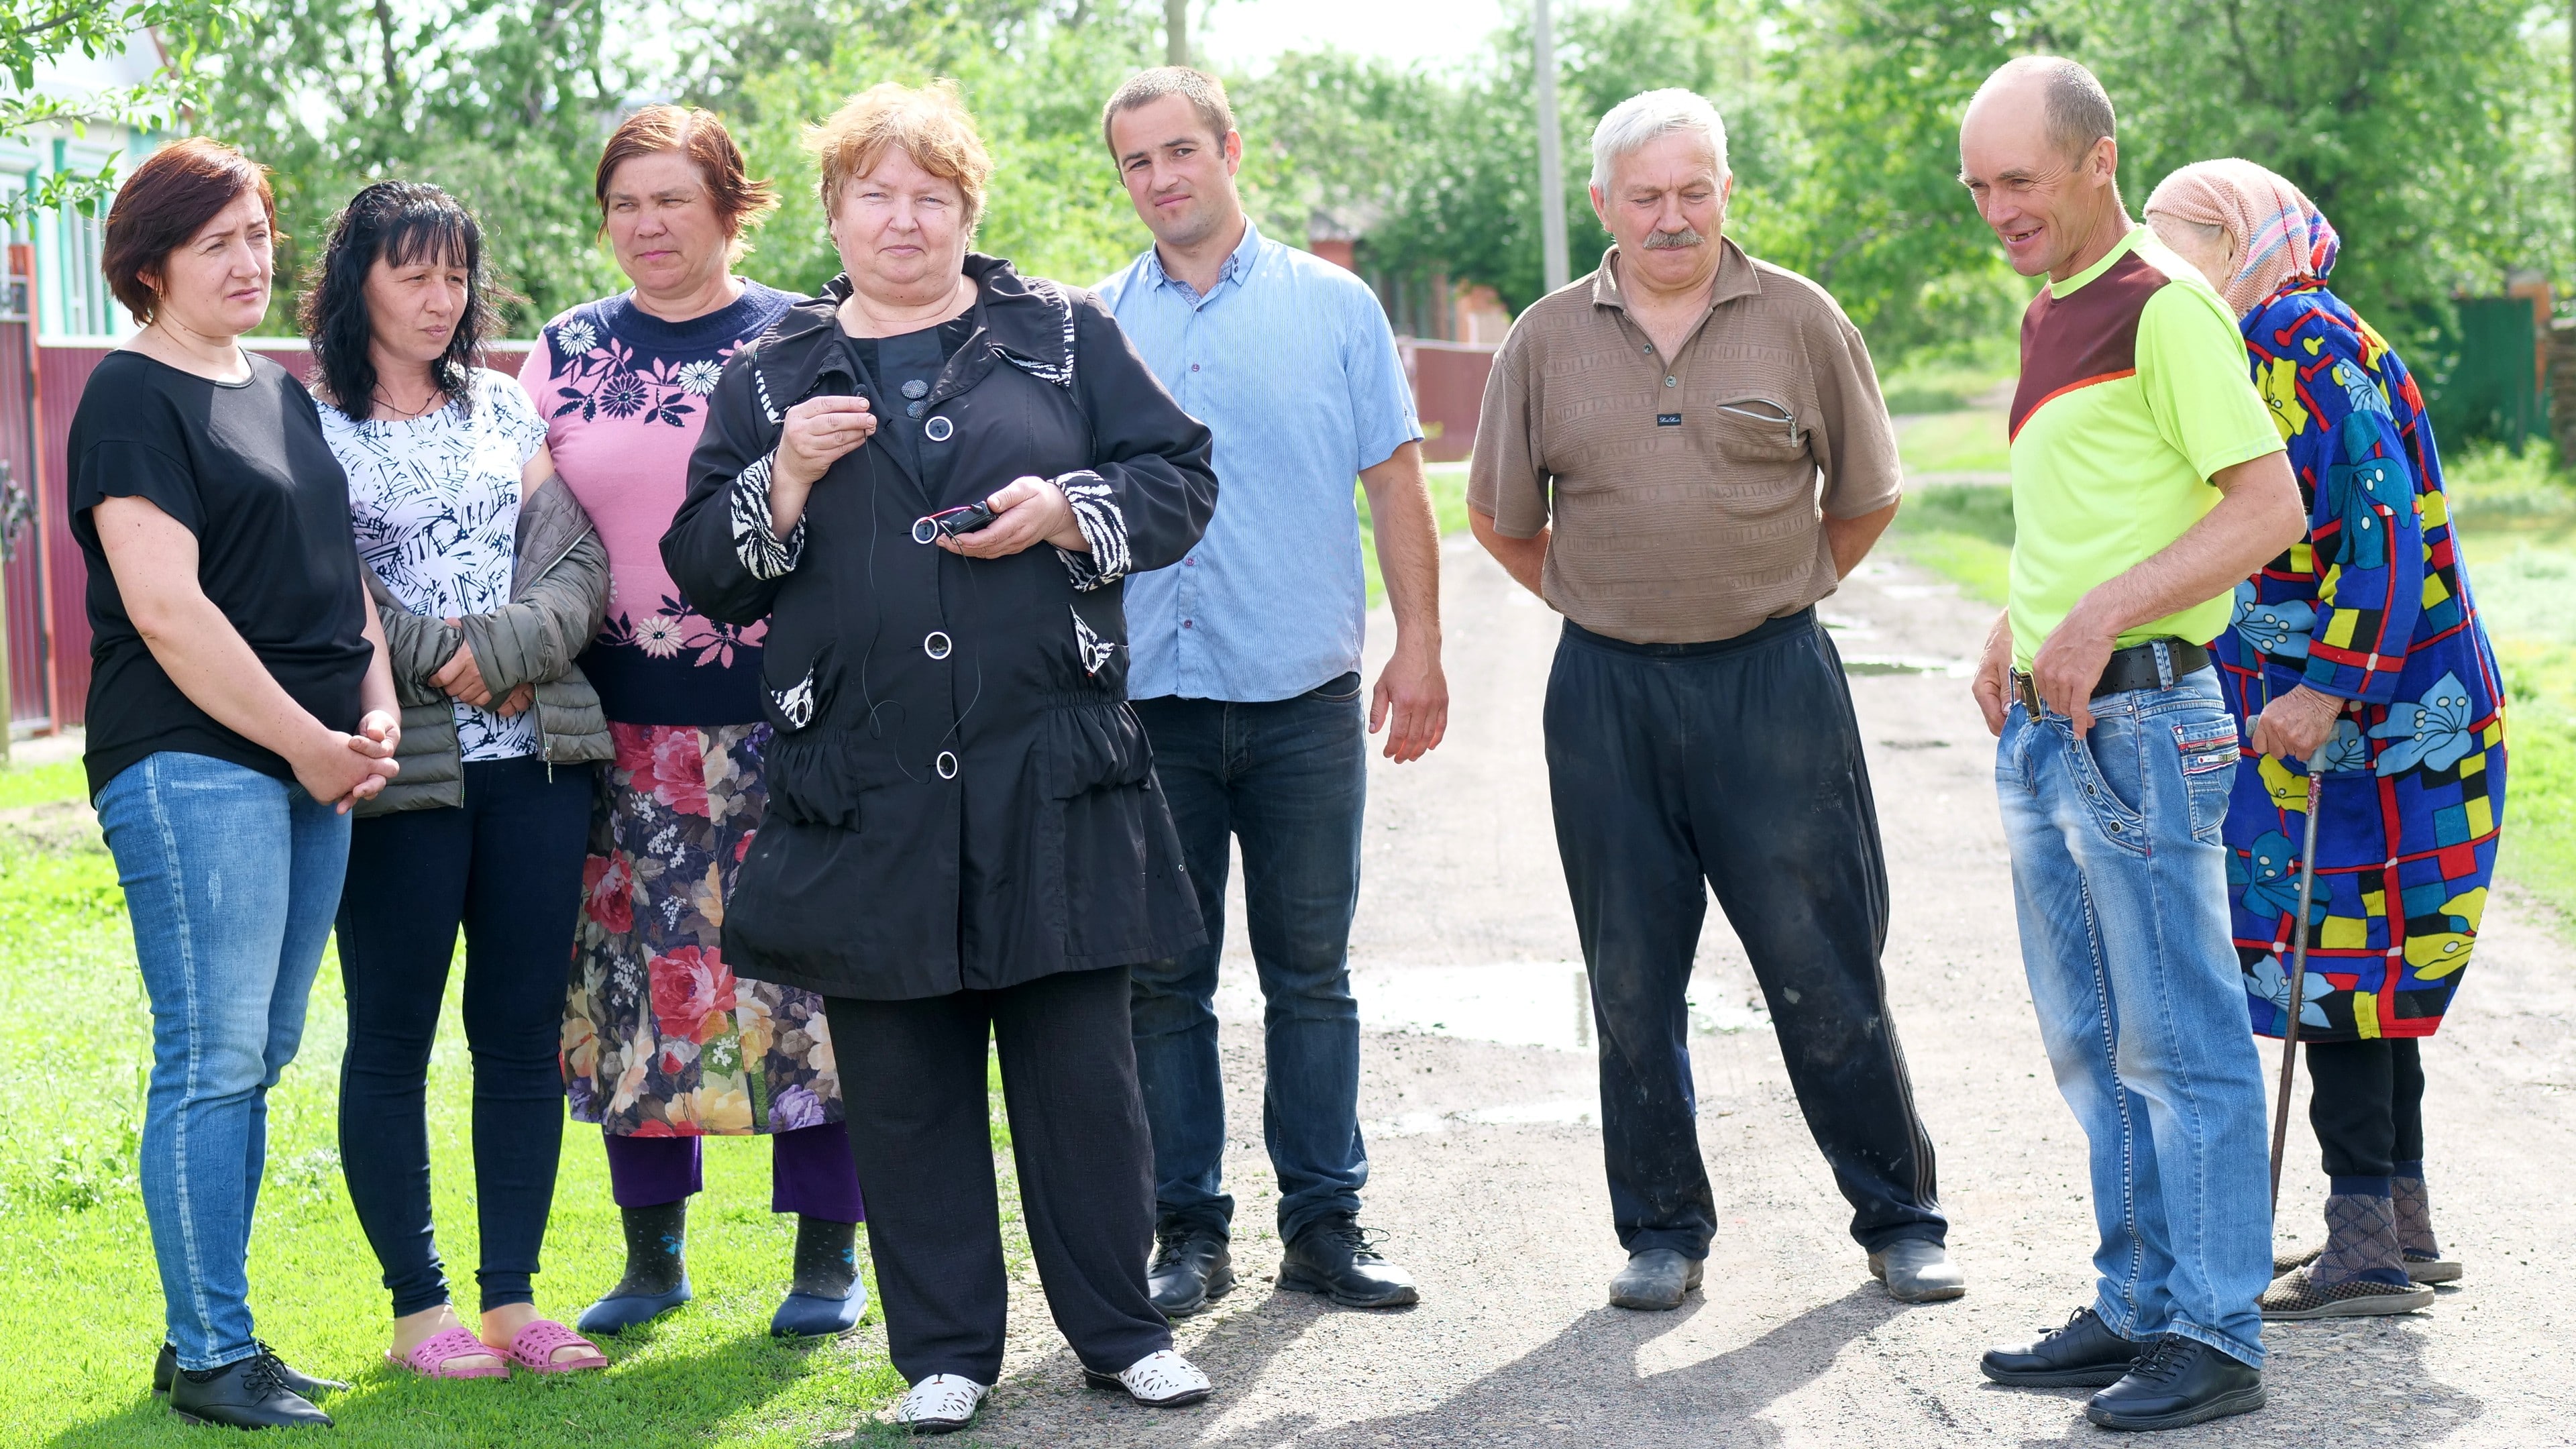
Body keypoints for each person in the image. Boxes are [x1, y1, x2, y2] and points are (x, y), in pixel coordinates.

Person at [661, 80, 1220, 1435]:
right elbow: (705, 574)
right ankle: (947, 1354)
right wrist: (781, 479)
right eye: (875, 192)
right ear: (837, 209)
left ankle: (1121, 1333)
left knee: (1082, 1079)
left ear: (970, 209)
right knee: (905, 1090)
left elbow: (1181, 478)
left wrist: (1065, 510)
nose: (902, 218)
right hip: (864, 792)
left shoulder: (1060, 337)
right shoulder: (771, 376)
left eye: (931, 194)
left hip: (1052, 772)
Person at [1467, 89, 1960, 1316]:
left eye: (1695, 191)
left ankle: (1900, 1218)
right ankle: (1661, 1231)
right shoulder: (1542, 339)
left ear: (1726, 191)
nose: (1673, 216)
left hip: (1773, 683)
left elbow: (1867, 493)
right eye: (1647, 196)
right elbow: (1498, 516)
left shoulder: (1800, 319)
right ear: (1605, 205)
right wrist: (1610, 600)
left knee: (1823, 961)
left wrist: (1782, 588)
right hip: (1609, 697)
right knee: (1630, 975)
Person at [1957, 59, 2306, 1432]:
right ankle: (2138, 1301)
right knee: (2094, 1043)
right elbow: (2099, 507)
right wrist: (2016, 617)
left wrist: (2098, 614)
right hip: (2056, 729)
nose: (1999, 210)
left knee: (2182, 1042)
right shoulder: (2056, 308)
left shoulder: (2168, 309)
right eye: (1981, 188)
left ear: (2097, 162)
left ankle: (2216, 1330)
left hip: (2148, 720)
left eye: (2021, 182)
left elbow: (2266, 505)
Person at [1095, 66, 1446, 1317]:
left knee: (1311, 973)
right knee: (1163, 983)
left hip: (1301, 699)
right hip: (1154, 711)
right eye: (1138, 163)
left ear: (1229, 148)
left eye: (1181, 151)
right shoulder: (1093, 324)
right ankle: (1186, 1232)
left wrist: (1421, 646)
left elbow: (1395, 485)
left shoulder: (1334, 305)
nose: (1163, 179)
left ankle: (1326, 1225)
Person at [519, 105, 870, 1340]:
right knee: (634, 986)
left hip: (788, 719)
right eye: (624, 202)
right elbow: (529, 532)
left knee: (808, 985)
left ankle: (829, 1257)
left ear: (732, 205)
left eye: (672, 198)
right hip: (619, 728)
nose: (646, 224)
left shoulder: (806, 338)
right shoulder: (562, 350)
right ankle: (652, 1257)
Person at [2144, 159, 2504, 1320]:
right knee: (2369, 965)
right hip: (2377, 717)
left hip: (2376, 724)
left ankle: (2363, 1248)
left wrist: (2327, 692)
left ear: (2237, 238)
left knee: (2335, 968)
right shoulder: (2269, 339)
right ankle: (2395, 1222)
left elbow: (2383, 534)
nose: (2158, 264)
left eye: (2174, 239)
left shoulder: (2298, 336)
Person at [78, 138, 401, 1429]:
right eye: (218, 242)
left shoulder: (280, 392)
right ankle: (216, 1353)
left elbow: (343, 571)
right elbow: (168, 612)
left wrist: (371, 705)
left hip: (313, 765)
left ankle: (201, 1330)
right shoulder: (127, 396)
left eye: (260, 234)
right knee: (213, 1056)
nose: (251, 260)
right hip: (195, 763)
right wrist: (307, 744)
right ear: (148, 266)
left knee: (256, 1054)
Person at [305, 180, 615, 1377]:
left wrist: (512, 655)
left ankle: (511, 1303)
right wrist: (455, 662)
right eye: (411, 274)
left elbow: (573, 555)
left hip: (534, 763)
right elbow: (331, 590)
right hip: (403, 773)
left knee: (520, 1037)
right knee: (390, 1037)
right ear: (360, 284)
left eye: (453, 277)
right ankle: (416, 1312)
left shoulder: (502, 404)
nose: (438, 300)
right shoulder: (313, 424)